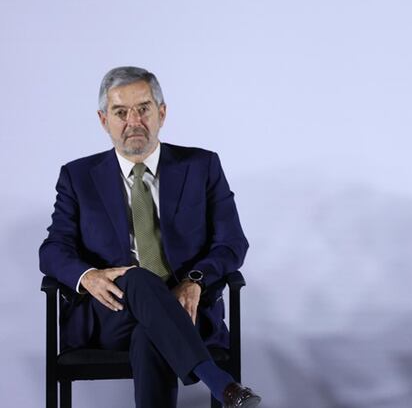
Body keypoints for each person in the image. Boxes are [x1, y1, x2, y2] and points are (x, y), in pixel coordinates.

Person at [39, 67, 262, 408]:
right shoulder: (78, 176)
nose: (134, 121)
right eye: (120, 112)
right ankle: (219, 382)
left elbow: (232, 242)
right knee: (137, 278)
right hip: (109, 314)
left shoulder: (202, 166)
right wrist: (88, 277)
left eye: (143, 108)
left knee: (150, 334)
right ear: (103, 119)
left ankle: (221, 383)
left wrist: (194, 281)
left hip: (187, 309)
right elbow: (53, 249)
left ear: (162, 112)